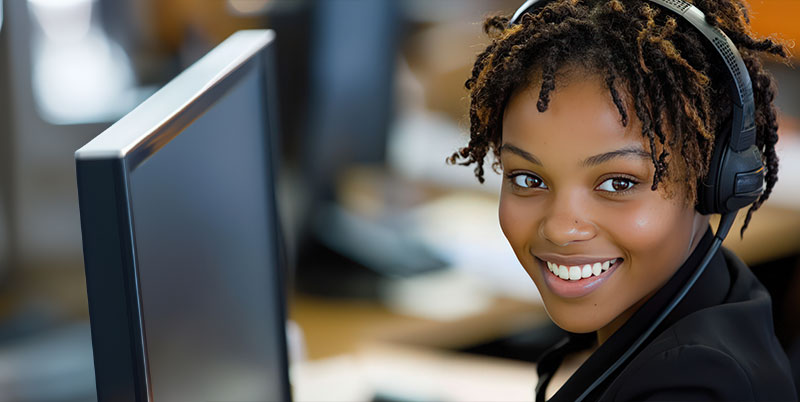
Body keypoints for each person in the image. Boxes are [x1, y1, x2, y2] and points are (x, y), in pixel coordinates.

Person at [448, 0, 798, 400]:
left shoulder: (695, 388)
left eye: (617, 183)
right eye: (528, 178)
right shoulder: (716, 294)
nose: (562, 228)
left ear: (712, 180)